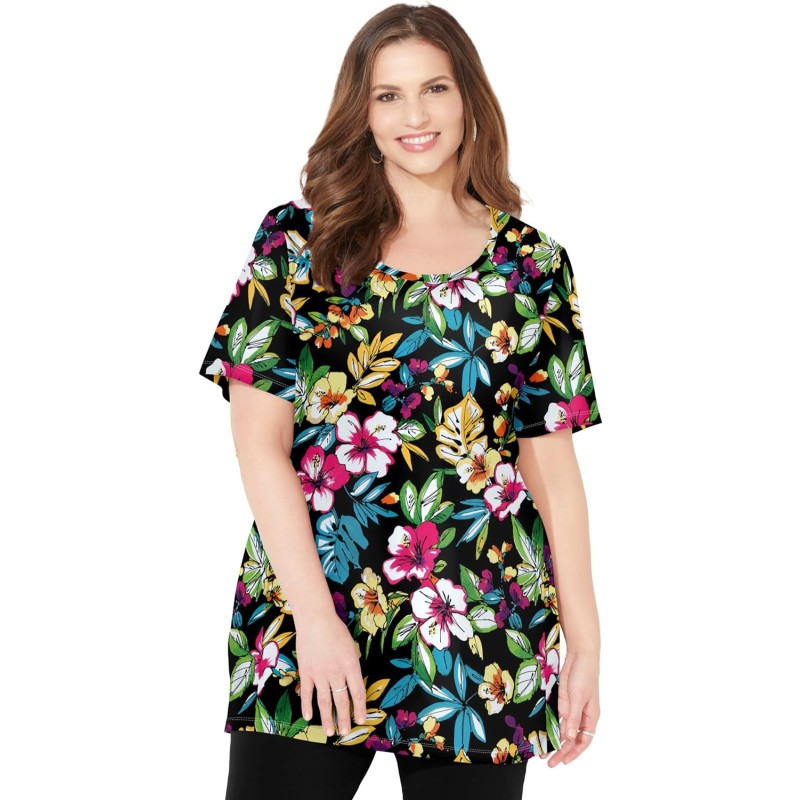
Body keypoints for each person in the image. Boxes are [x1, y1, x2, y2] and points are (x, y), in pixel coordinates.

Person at [197, 4, 603, 799]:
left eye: (434, 89)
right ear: (363, 111)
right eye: (388, 95)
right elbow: (258, 445)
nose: (414, 116)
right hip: (309, 609)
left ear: (469, 98)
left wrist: (586, 641)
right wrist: (315, 621)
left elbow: (552, 471)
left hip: (483, 628)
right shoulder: (298, 242)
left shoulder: (531, 263)